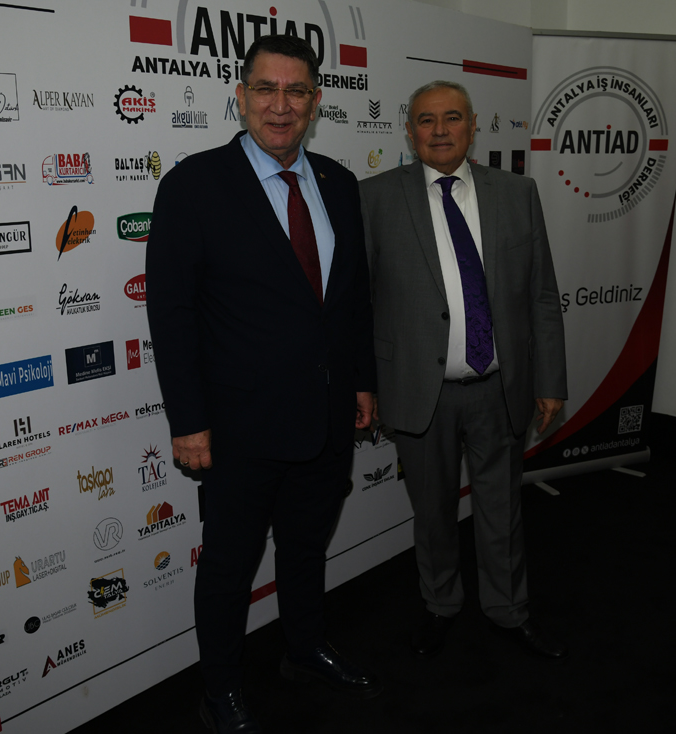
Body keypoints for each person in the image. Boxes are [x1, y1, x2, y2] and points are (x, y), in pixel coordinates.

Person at [146, 34, 380, 734]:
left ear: (315, 100)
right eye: (266, 89)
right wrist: (188, 420)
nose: (281, 105)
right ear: (241, 95)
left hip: (326, 417)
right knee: (229, 568)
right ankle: (220, 690)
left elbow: (351, 299)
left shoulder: (338, 182)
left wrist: (362, 382)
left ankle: (303, 649)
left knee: (306, 549)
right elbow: (171, 313)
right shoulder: (193, 184)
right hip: (238, 428)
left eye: (296, 91)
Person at [359, 80, 568, 662]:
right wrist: (365, 384)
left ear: (474, 127)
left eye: (452, 118)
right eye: (426, 120)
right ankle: (440, 605)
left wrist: (551, 379)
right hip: (419, 392)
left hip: (501, 388)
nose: (440, 130)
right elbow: (360, 302)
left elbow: (542, 294)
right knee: (433, 515)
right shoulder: (374, 197)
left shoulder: (518, 192)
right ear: (410, 132)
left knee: (503, 511)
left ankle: (509, 609)